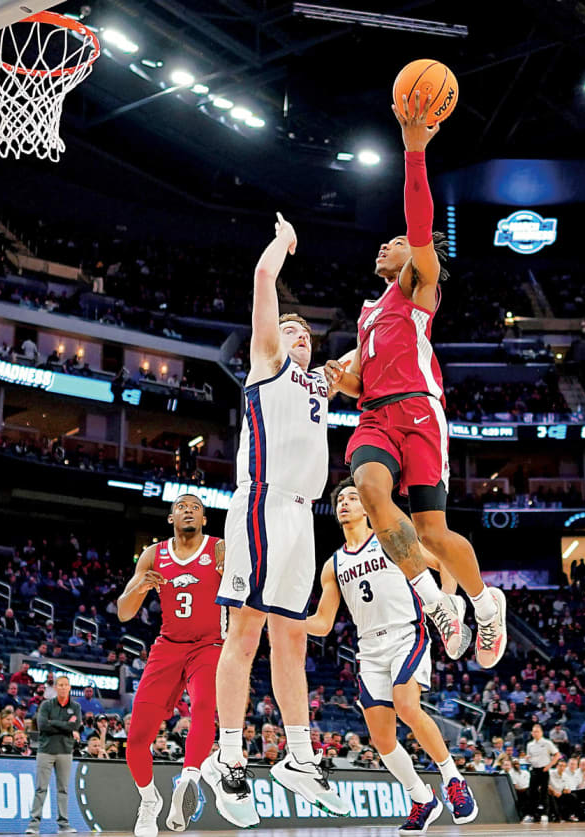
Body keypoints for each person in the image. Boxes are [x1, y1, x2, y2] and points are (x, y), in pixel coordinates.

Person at [324, 92, 506, 668]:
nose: (387, 244)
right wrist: (339, 379)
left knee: (432, 533)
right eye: (387, 243)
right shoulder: (368, 312)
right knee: (371, 491)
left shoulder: (418, 286)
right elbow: (358, 384)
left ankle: (484, 601)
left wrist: (414, 152)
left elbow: (420, 225)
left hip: (421, 412)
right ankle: (435, 602)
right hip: (376, 415)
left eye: (395, 242)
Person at [204, 214, 350, 828]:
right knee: (245, 635)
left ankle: (297, 755)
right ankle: (229, 756)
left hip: (300, 516)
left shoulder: (319, 384)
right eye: (290, 328)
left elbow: (362, 364)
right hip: (261, 504)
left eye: (305, 333)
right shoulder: (268, 362)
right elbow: (265, 276)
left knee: (290, 638)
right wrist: (283, 245)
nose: (298, 335)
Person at [306, 478, 477, 833]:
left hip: (407, 635)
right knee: (382, 740)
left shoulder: (390, 539)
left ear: (368, 507)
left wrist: (446, 601)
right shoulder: (332, 565)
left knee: (407, 705)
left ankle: (454, 780)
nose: (345, 503)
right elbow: (323, 624)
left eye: (353, 498)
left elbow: (444, 562)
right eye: (341, 500)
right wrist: (286, 620)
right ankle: (421, 798)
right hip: (368, 650)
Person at [117, 494, 225, 837]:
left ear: (204, 519)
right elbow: (123, 611)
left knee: (205, 706)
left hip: (209, 644)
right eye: (181, 506)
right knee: (136, 738)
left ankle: (188, 781)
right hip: (167, 647)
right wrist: (140, 588)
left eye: (195, 507)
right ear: (170, 518)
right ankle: (149, 800)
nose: (188, 510)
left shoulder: (219, 548)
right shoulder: (154, 554)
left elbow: (246, 588)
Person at [25, 675, 81, 836]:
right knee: (41, 788)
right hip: (46, 751)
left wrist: (54, 722)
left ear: (69, 687)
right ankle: (34, 824)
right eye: (60, 685)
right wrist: (66, 726)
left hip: (65, 751)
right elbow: (43, 725)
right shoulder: (46, 705)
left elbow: (76, 725)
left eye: (66, 685)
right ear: (55, 687)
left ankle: (64, 824)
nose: (63, 687)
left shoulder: (75, 707)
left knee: (63, 789)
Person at [524, 723, 560, 823]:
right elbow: (529, 757)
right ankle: (532, 814)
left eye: (537, 731)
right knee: (532, 793)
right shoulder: (529, 744)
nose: (535, 733)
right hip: (534, 769)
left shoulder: (547, 743)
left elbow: (557, 755)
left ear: (541, 733)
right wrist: (527, 759)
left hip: (543, 770)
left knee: (544, 793)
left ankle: (545, 814)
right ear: (531, 733)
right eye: (533, 731)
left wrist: (549, 766)